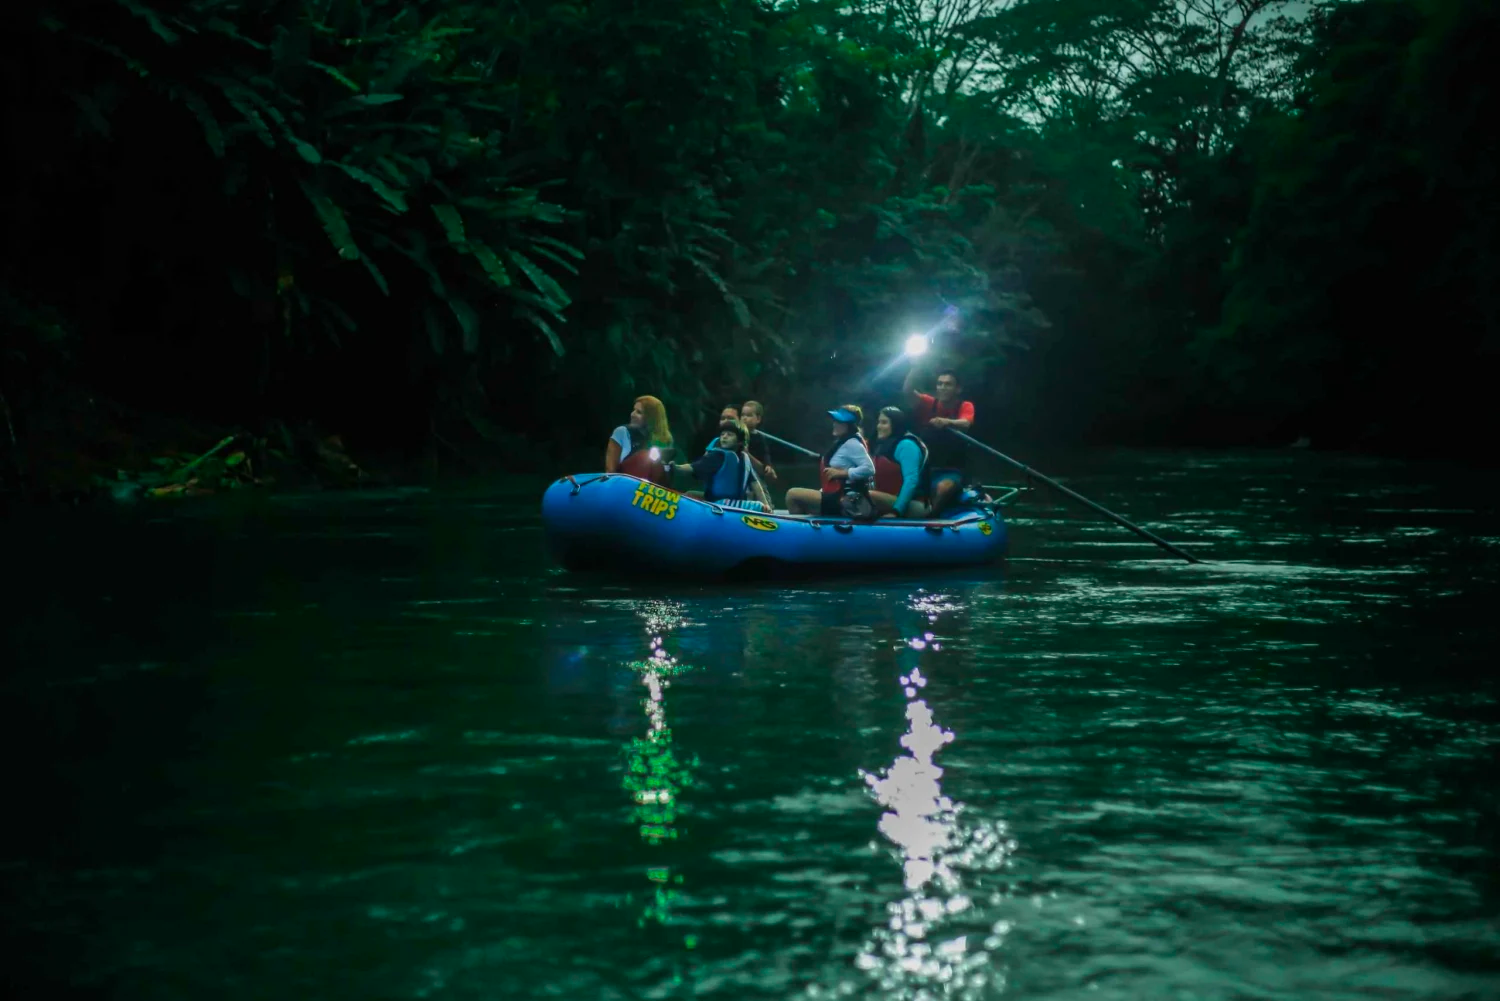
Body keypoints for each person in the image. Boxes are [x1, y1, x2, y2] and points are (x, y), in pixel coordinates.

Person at [902, 366, 974, 516]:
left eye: (948, 384)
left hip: (952, 471)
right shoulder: (929, 403)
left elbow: (966, 423)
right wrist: (916, 363)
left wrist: (947, 422)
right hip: (924, 469)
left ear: (958, 389)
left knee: (943, 487)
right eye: (940, 384)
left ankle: (931, 517)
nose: (942, 387)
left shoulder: (965, 406)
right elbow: (907, 391)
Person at [785, 407, 875, 516]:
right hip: (836, 494)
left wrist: (843, 473)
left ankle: (799, 529)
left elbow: (869, 469)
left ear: (849, 425)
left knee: (792, 495)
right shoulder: (844, 442)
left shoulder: (852, 444)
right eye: (835, 421)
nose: (834, 424)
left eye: (838, 421)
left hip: (844, 498)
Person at [664, 420, 766, 509]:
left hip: (721, 505)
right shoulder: (742, 458)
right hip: (735, 504)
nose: (724, 437)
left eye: (729, 434)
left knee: (688, 496)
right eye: (722, 434)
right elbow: (755, 484)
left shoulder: (718, 456)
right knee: (689, 494)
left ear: (740, 441)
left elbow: (691, 467)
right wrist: (766, 505)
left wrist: (675, 468)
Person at [869, 406, 930, 519]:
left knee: (866, 496)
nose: (879, 426)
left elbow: (911, 480)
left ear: (896, 424)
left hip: (913, 504)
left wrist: (896, 511)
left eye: (884, 422)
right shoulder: (883, 445)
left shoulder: (907, 445)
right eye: (879, 422)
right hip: (889, 499)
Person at [606, 395, 675, 484]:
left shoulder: (665, 439)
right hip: (623, 485)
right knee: (643, 456)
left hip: (652, 490)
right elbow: (610, 471)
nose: (632, 414)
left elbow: (666, 473)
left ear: (651, 418)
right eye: (633, 410)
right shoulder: (621, 432)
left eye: (639, 412)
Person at [739, 400, 776, 483]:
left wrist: (768, 465)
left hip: (754, 474)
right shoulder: (737, 433)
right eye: (742, 415)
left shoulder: (759, 437)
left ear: (758, 419)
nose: (744, 418)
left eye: (749, 415)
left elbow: (765, 454)